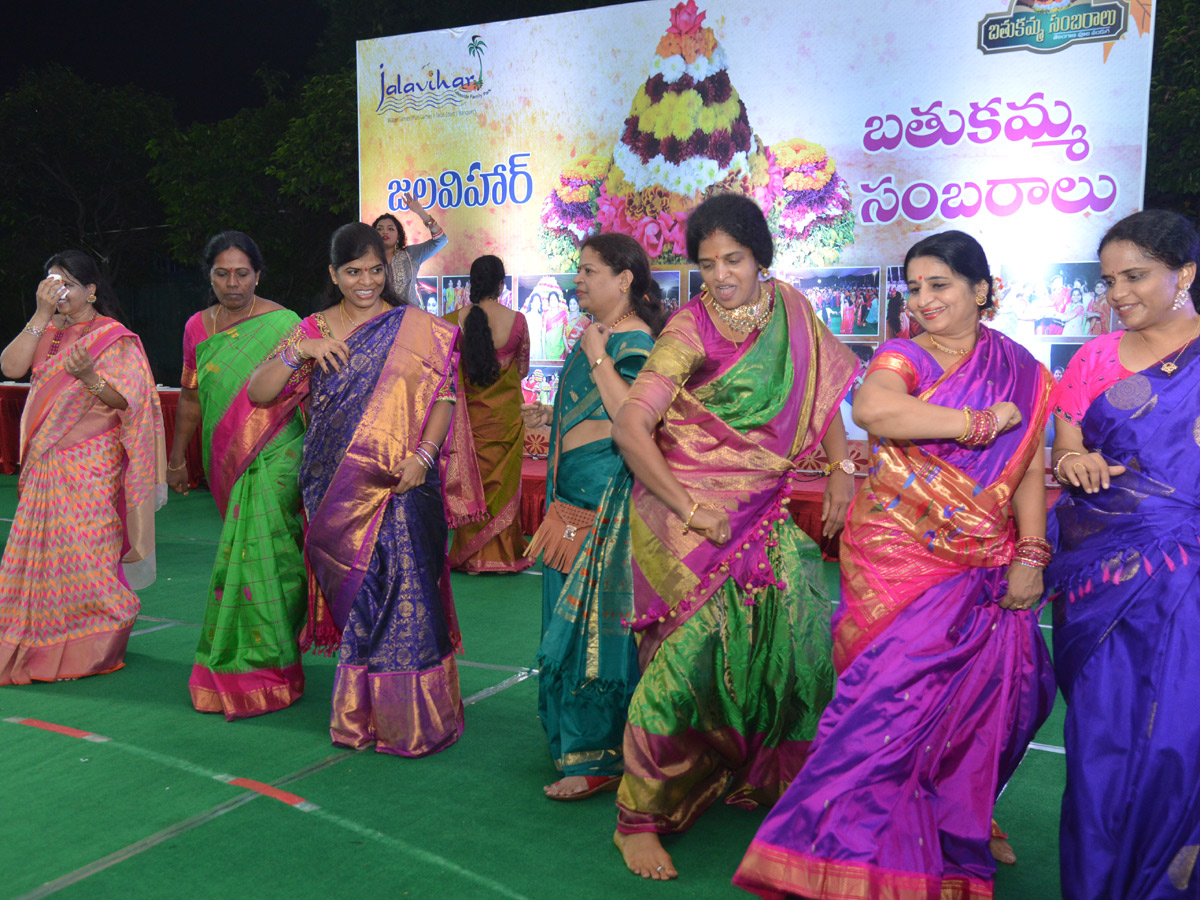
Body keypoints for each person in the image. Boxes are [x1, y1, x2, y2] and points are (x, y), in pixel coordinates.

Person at [735, 230, 1056, 899]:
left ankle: (952, 821)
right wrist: (973, 423)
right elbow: (875, 407)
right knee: (882, 707)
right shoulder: (902, 356)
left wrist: (1031, 550)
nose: (924, 299)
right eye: (915, 287)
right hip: (898, 562)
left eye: (940, 284)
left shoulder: (1023, 369)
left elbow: (1024, 468)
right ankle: (842, 848)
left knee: (993, 706)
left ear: (983, 290)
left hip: (986, 564)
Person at [609, 194, 860, 880]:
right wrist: (690, 508)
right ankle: (640, 818)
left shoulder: (791, 310)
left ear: (761, 257)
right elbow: (632, 428)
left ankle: (766, 777)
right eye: (706, 263)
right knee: (681, 666)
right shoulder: (687, 329)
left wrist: (840, 467)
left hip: (761, 510)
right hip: (682, 514)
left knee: (795, 647)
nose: (720, 275)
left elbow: (823, 393)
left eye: (734, 260)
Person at [248, 223, 484, 756]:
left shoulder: (415, 328)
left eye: (375, 270)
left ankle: (413, 721)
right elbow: (260, 393)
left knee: (409, 596)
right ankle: (359, 717)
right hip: (334, 488)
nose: (366, 281)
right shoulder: (313, 330)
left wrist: (425, 456)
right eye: (353, 272)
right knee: (358, 601)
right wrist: (300, 351)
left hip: (406, 481)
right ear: (333, 274)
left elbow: (444, 395)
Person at [1047, 209, 1200, 900]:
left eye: (1135, 276)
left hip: (1189, 581)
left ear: (1185, 273)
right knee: (1100, 746)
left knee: (1177, 744)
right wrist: (1075, 459)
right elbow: (1070, 441)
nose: (1118, 294)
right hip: (1103, 578)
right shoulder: (1098, 360)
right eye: (1110, 281)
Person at [524, 233, 668, 801]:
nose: (577, 279)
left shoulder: (632, 342)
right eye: (577, 270)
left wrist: (598, 355)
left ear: (624, 278)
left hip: (606, 505)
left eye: (588, 270)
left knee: (595, 632)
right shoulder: (600, 336)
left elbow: (628, 419)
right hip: (571, 503)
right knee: (569, 622)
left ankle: (599, 754)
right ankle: (578, 743)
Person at [0, 251, 164, 683]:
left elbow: (128, 400)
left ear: (91, 290)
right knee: (41, 553)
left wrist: (90, 376)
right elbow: (11, 366)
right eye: (52, 282)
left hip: (91, 461)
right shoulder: (45, 328)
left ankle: (93, 642)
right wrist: (39, 312)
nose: (60, 292)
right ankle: (38, 639)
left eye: (69, 282)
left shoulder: (114, 337)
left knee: (86, 554)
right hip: (45, 463)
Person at [167, 231, 308, 720]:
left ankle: (272, 662)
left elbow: (303, 392)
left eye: (242, 273)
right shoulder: (196, 328)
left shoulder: (284, 323)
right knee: (244, 550)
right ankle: (252, 660)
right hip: (223, 453)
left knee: (274, 550)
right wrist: (177, 456)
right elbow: (190, 397)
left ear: (258, 274)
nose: (232, 283)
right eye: (222, 273)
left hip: (278, 451)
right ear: (209, 276)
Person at [445, 256, 532, 573]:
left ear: (472, 283)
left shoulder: (452, 320)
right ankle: (504, 555)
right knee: (505, 485)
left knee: (471, 482)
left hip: (468, 422)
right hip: (506, 420)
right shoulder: (518, 321)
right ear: (501, 284)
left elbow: (443, 374)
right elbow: (521, 370)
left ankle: (470, 556)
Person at [372, 191, 447, 306]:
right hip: (380, 319)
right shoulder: (368, 259)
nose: (384, 232)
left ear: (399, 236)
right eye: (380, 229)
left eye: (390, 229)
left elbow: (441, 240)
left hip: (410, 318)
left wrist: (421, 212)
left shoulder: (410, 254)